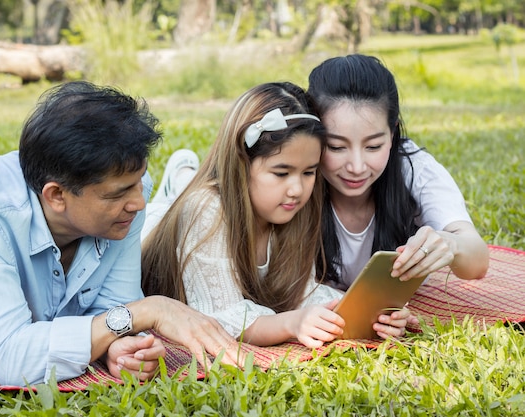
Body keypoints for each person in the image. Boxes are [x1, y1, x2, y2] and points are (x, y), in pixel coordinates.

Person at [0, 81, 244, 386]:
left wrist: (120, 347)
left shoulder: (125, 199)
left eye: (138, 185)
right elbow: (9, 358)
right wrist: (148, 311)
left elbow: (112, 309)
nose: (138, 203)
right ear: (57, 196)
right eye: (117, 194)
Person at [141, 82, 410, 349]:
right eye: (281, 173)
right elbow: (223, 317)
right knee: (183, 200)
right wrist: (292, 323)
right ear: (241, 163)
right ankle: (181, 176)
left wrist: (371, 312)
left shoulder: (291, 209)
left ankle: (182, 178)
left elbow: (303, 294)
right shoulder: (206, 210)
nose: (297, 189)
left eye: (308, 172)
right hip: (156, 223)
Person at [307, 54, 489, 290]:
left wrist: (450, 244)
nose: (356, 167)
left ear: (392, 134)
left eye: (373, 146)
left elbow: (478, 260)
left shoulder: (414, 169)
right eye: (336, 147)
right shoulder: (297, 176)